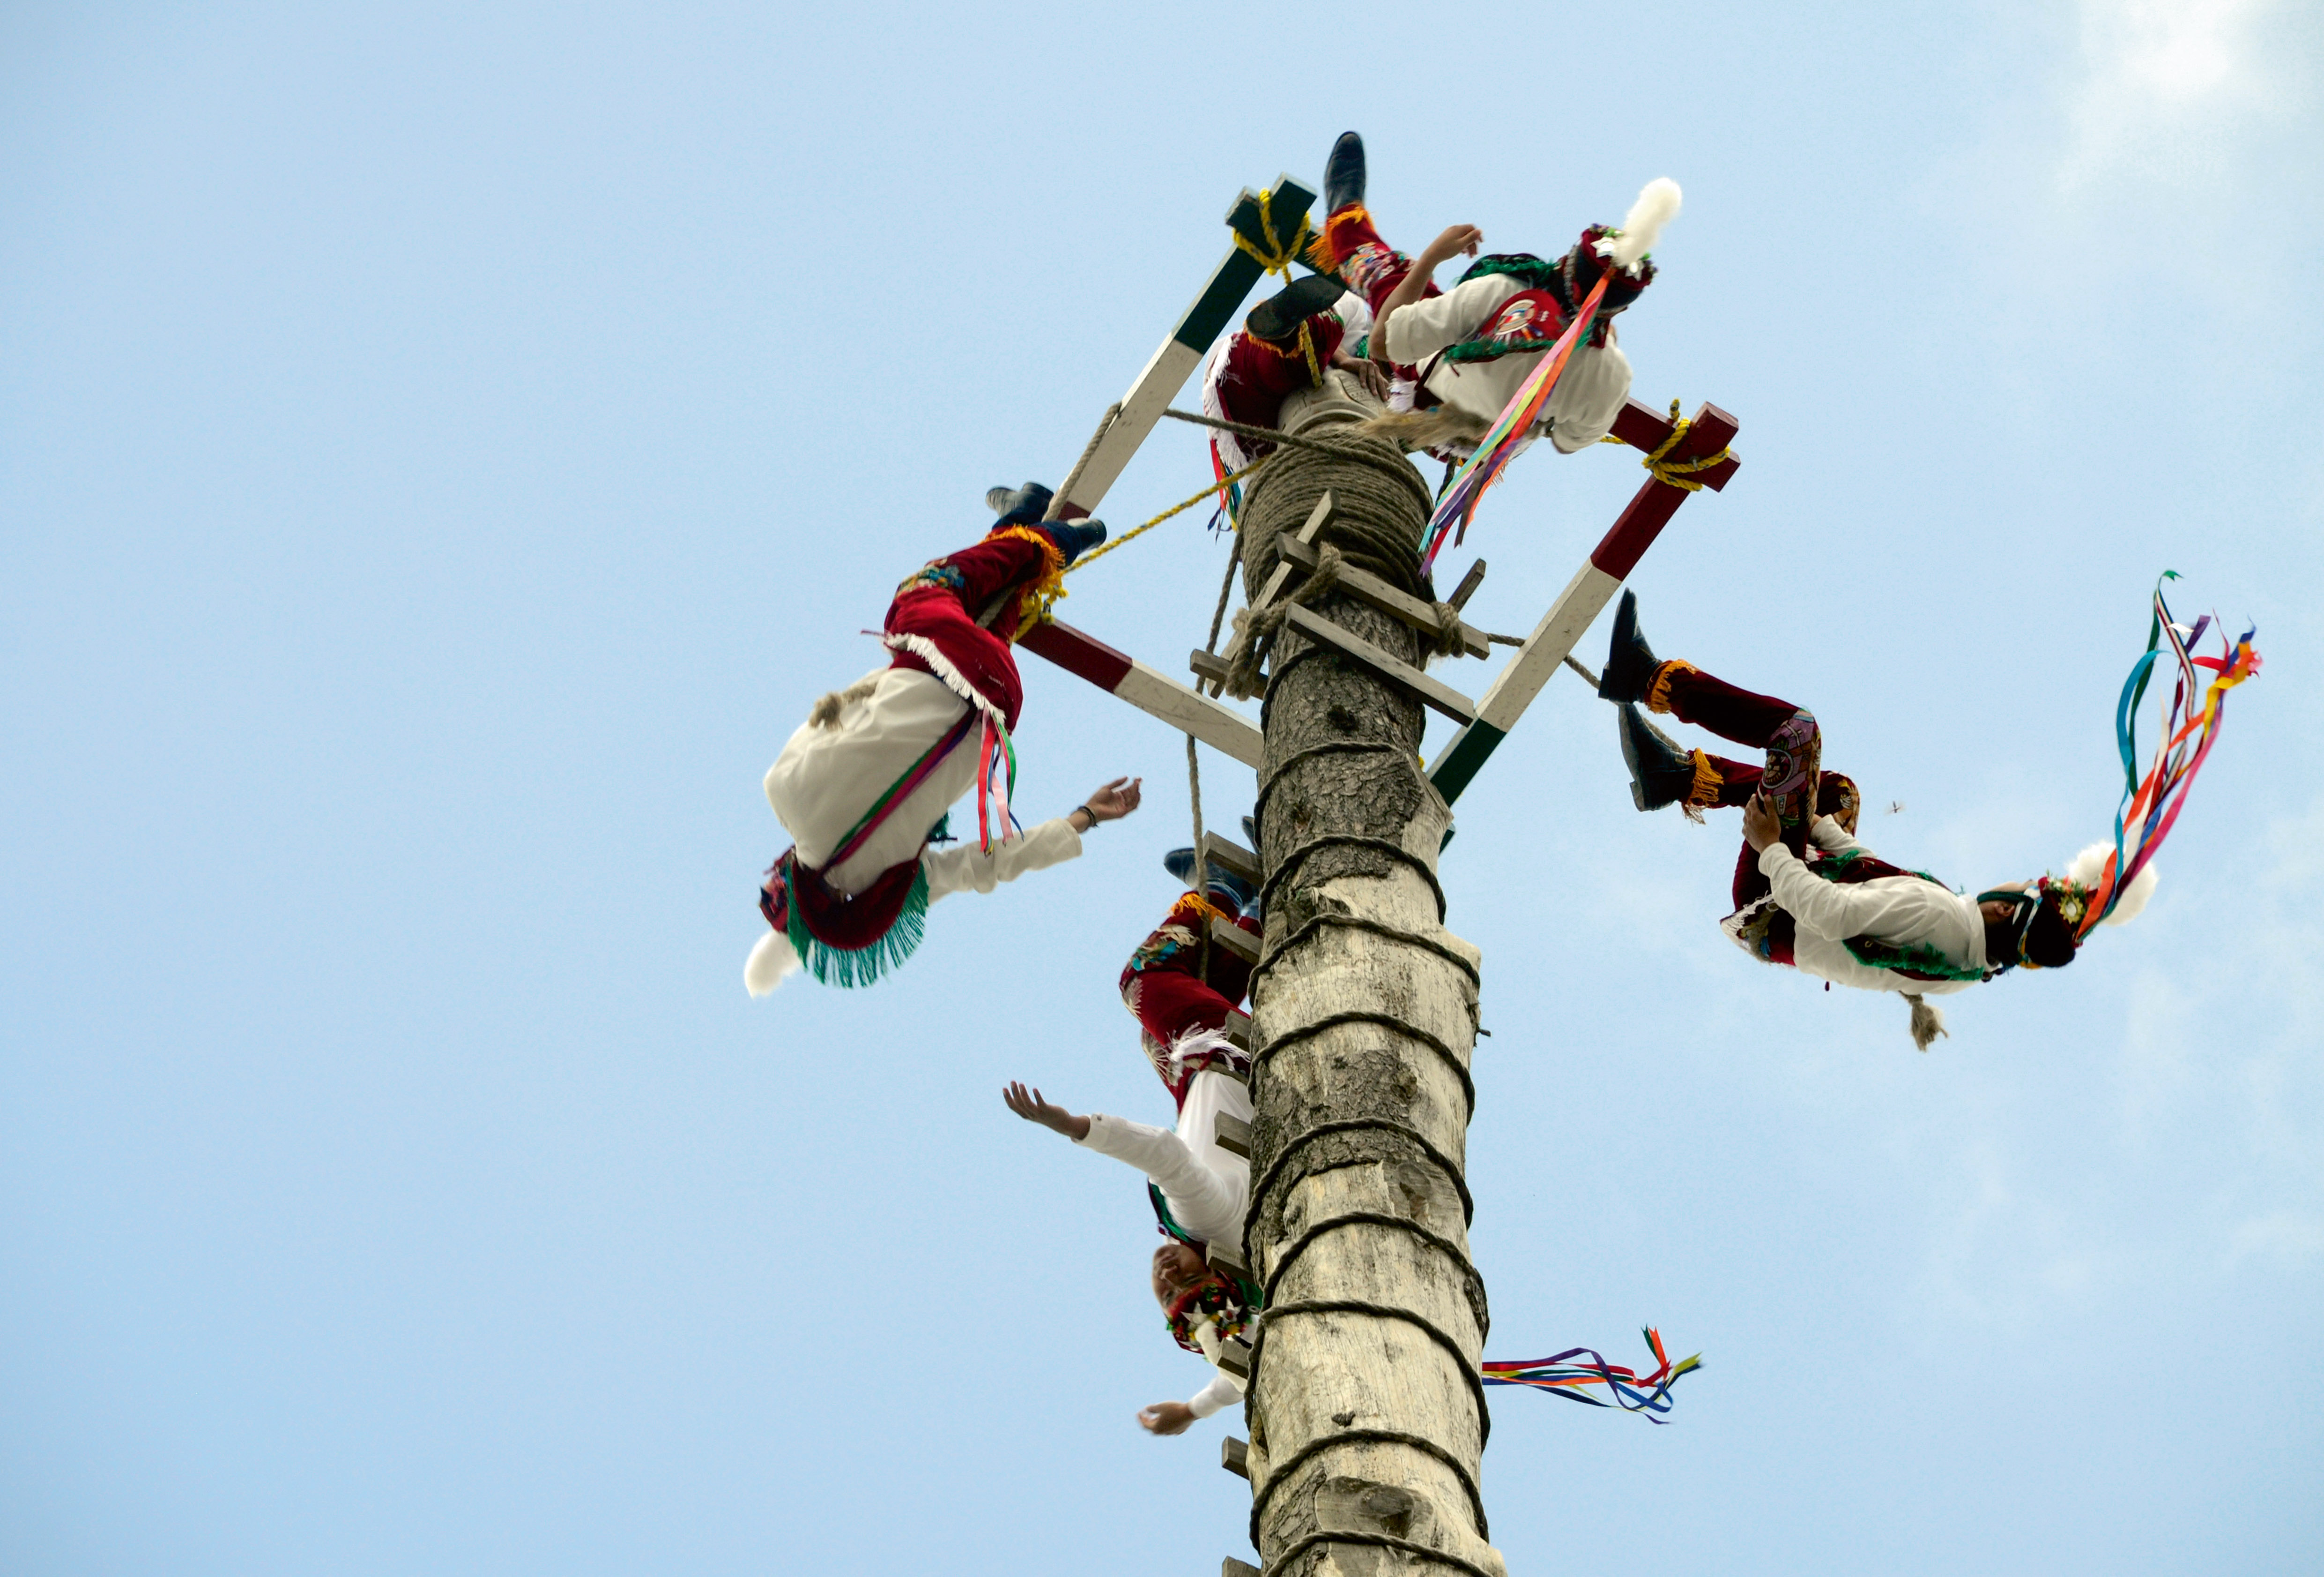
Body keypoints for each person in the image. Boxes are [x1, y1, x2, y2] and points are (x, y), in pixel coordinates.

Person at [1597, 590, 2154, 1048]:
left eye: (2022, 887)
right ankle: (1672, 777)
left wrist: (1771, 845)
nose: (2015, 880)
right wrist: (1808, 816)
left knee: (1797, 733)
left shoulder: (1935, 912)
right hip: (1782, 914)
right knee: (1836, 793)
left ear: (2007, 908)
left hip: (1775, 898)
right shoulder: (1964, 963)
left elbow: (1834, 913)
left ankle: (1648, 679)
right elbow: (1857, 868)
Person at [745, 484, 1142, 993]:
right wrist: (895, 667)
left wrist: (1082, 819)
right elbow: (840, 710)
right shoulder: (784, 792)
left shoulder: (898, 881)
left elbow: (988, 866)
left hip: (997, 706)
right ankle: (1054, 539)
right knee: (919, 594)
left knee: (986, 603)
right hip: (944, 659)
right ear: (788, 880)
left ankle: (1017, 518)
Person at [1002, 860, 1265, 1434]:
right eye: (1186, 1282)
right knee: (1139, 983)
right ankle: (1223, 890)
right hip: (1224, 1055)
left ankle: (1257, 913)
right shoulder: (1207, 1219)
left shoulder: (1230, 1242)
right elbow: (1162, 1155)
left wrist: (1192, 1410)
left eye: (1163, 1291)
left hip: (1204, 1073)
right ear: (1218, 1277)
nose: (1166, 1274)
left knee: (1157, 1037)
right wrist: (1074, 1125)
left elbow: (1238, 1376)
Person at [1304, 131, 1674, 457]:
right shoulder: (1612, 375)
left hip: (1413, 396)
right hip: (1478, 453)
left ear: (1566, 261)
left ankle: (1345, 212)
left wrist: (1432, 258)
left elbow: (1387, 344)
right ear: (1618, 311)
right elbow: (1569, 441)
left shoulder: (1502, 290)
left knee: (1390, 274)